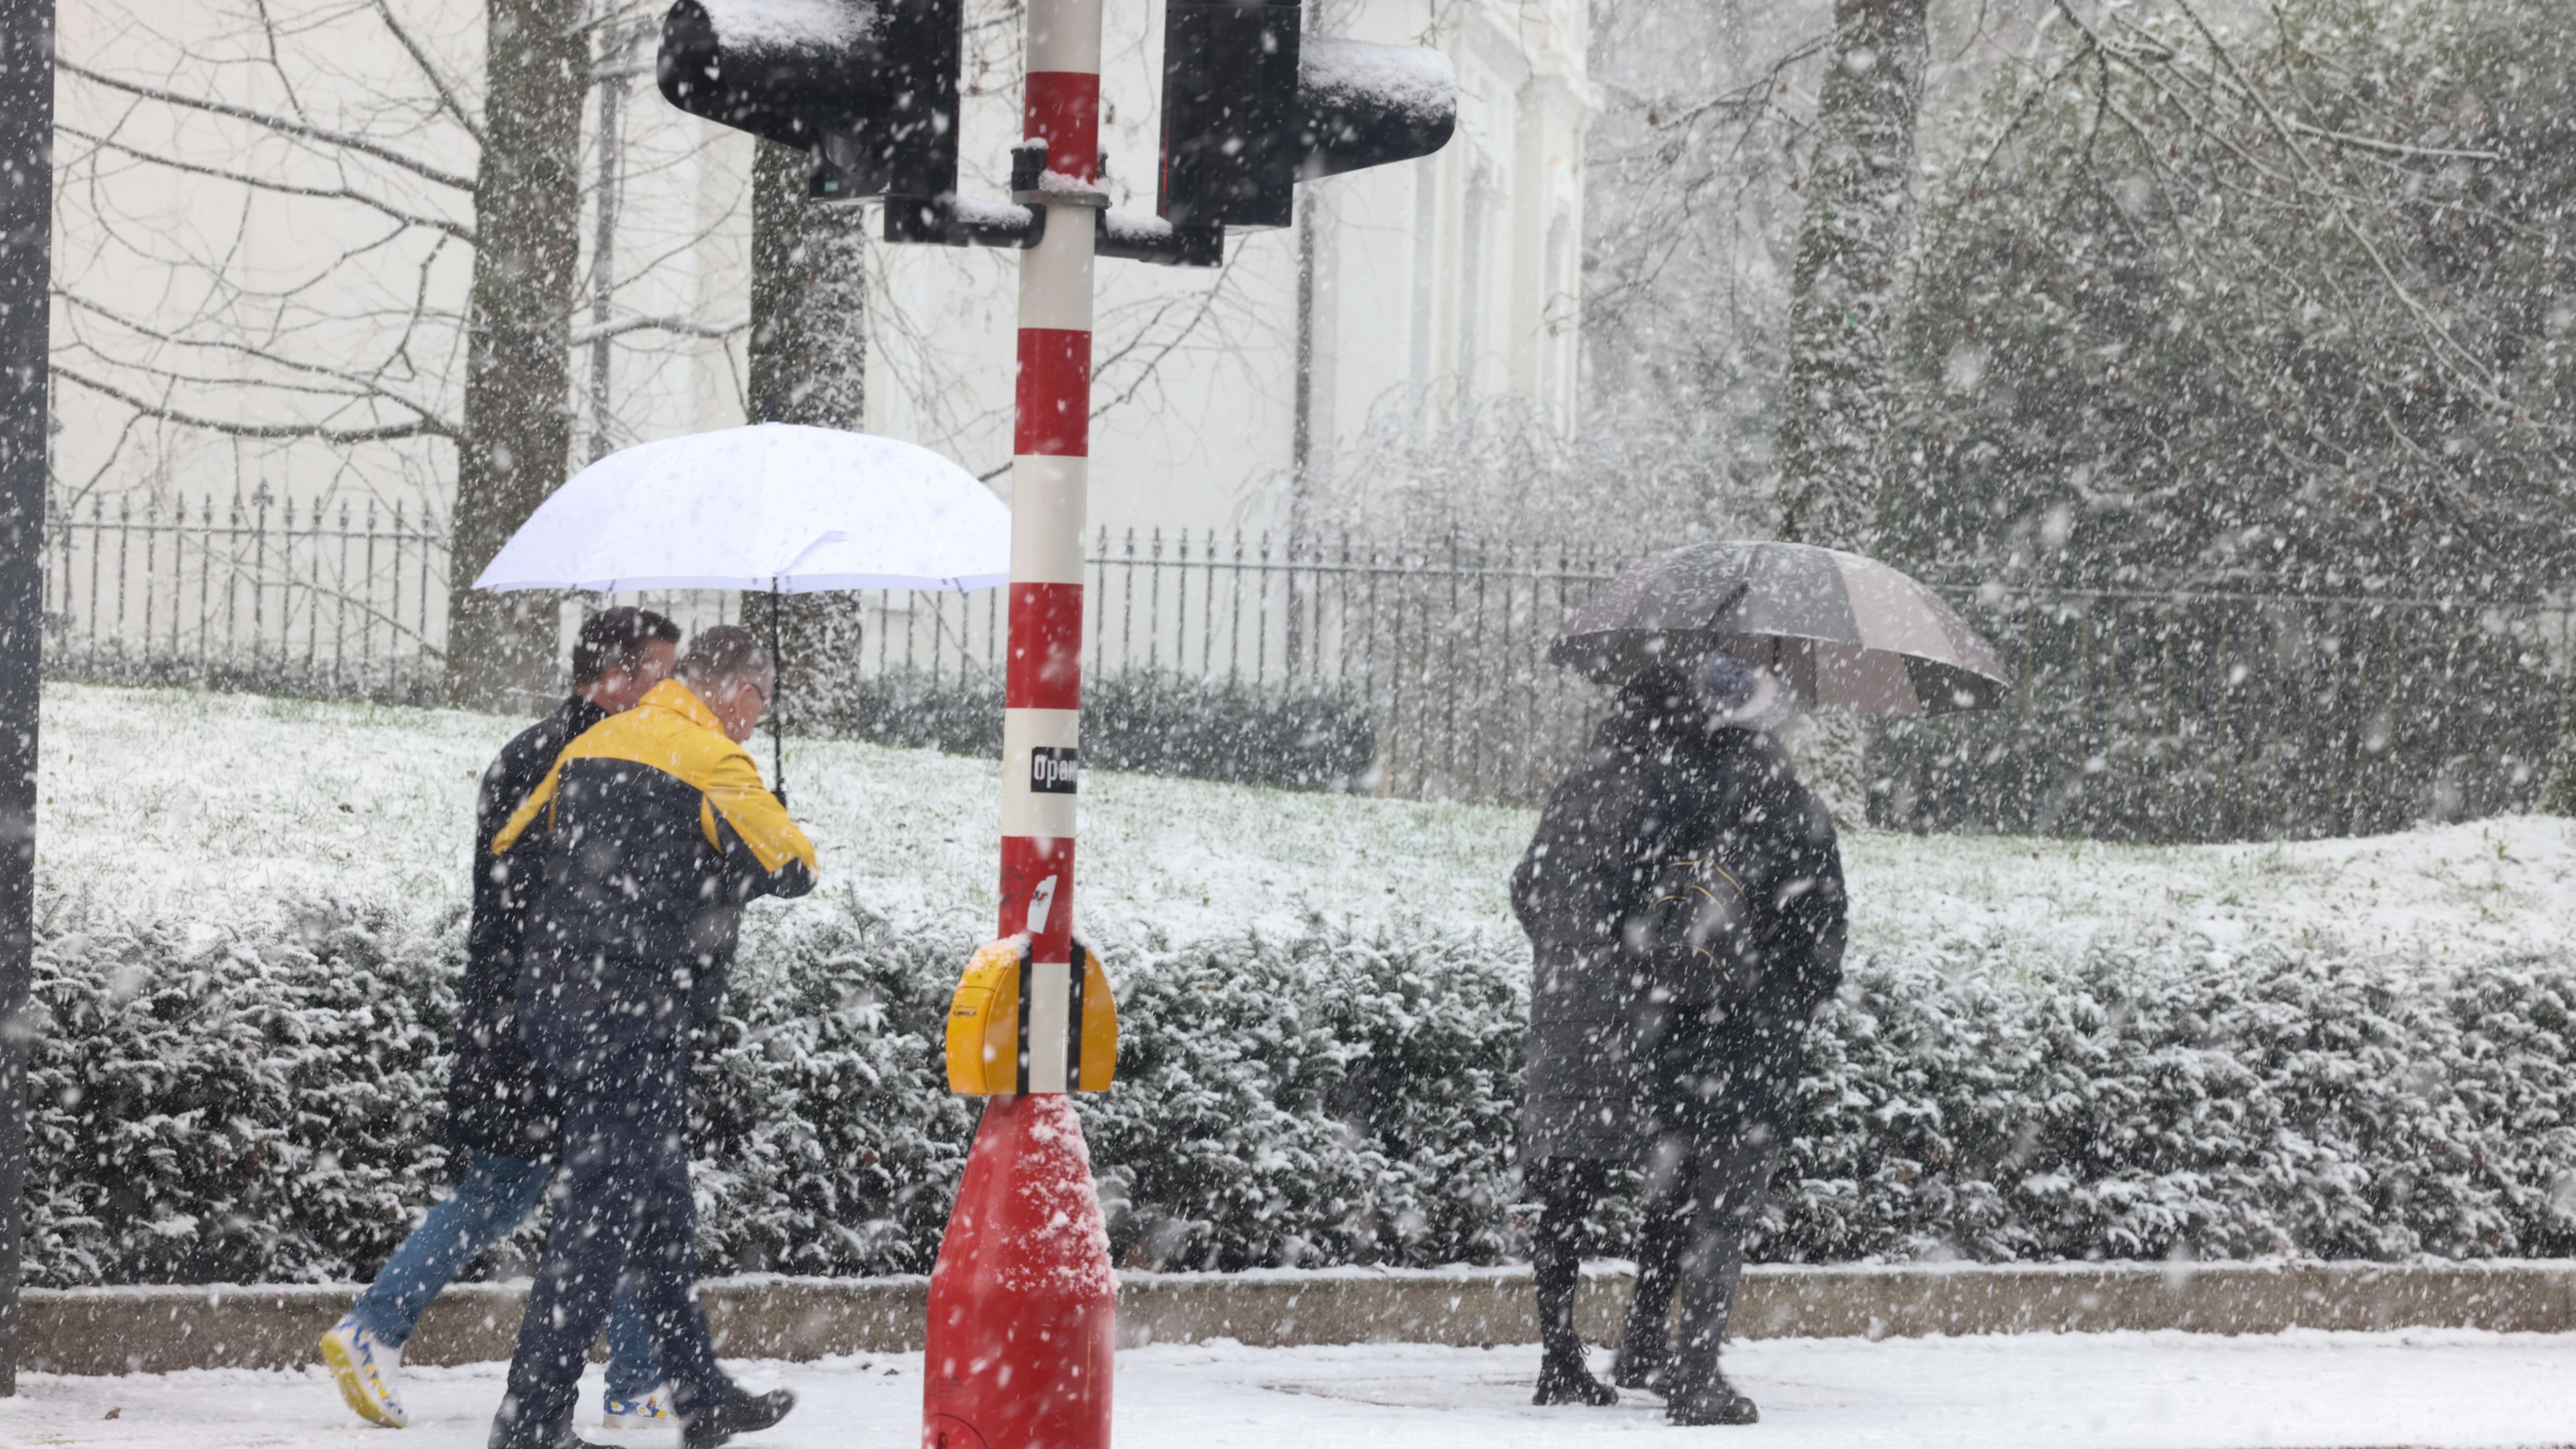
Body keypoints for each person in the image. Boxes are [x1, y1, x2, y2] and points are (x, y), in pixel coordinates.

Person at [321, 607, 683, 1432]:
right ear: (617, 678)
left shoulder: (535, 751)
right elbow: (586, 900)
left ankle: (632, 1373)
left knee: (551, 1189)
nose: (673, 691)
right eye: (661, 674)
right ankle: (378, 1326)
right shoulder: (593, 761)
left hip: (515, 1012)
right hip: (559, 1018)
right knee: (564, 1189)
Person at [488, 625, 816, 1449]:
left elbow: (513, 841)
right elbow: (794, 868)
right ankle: (528, 1423)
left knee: (660, 1205)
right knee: (599, 1216)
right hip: (635, 1016)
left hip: (561, 1000)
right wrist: (747, 819)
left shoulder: (599, 740)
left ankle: (700, 1397)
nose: (755, 716)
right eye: (759, 702)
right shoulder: (717, 762)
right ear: (740, 693)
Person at [1511, 651, 1845, 1425]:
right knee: (1686, 1182)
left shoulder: (1594, 787)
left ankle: (1560, 1351)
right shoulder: (1691, 794)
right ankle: (1653, 1344)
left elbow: (1530, 886)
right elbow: (1806, 931)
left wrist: (1564, 954)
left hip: (1576, 1006)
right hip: (1655, 1014)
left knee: (1569, 1184)